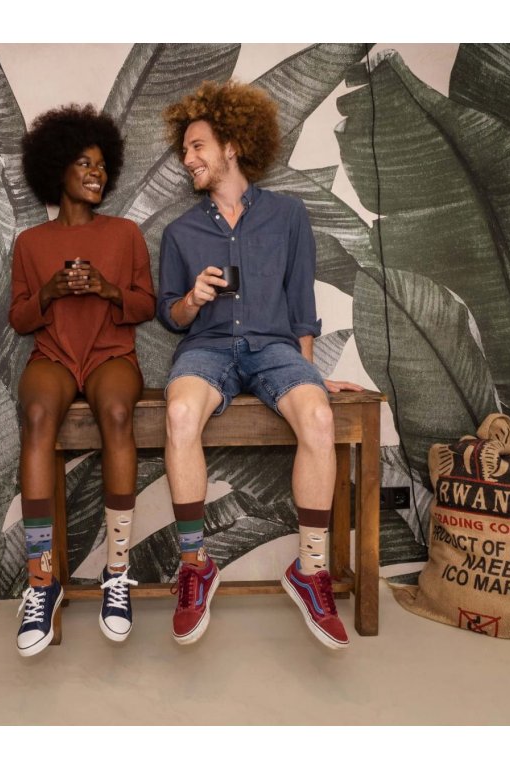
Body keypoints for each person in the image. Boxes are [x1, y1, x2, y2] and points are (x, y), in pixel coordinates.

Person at [157, 81, 363, 649]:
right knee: (180, 415)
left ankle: (310, 571)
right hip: (206, 348)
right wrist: (193, 298)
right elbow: (170, 314)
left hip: (274, 349)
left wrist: (308, 378)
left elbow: (301, 304)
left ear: (231, 146)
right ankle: (196, 565)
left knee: (318, 417)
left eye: (198, 146)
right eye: (184, 149)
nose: (188, 158)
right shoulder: (181, 232)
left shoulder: (288, 215)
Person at [9, 105, 156, 657]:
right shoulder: (30, 243)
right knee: (37, 416)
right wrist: (48, 292)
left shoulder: (125, 234)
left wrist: (107, 289)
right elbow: (20, 318)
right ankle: (41, 582)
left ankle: (116, 576)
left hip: (110, 353)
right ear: (57, 170)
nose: (97, 173)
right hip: (53, 355)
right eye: (84, 163)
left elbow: (145, 304)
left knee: (117, 414)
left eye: (101, 165)